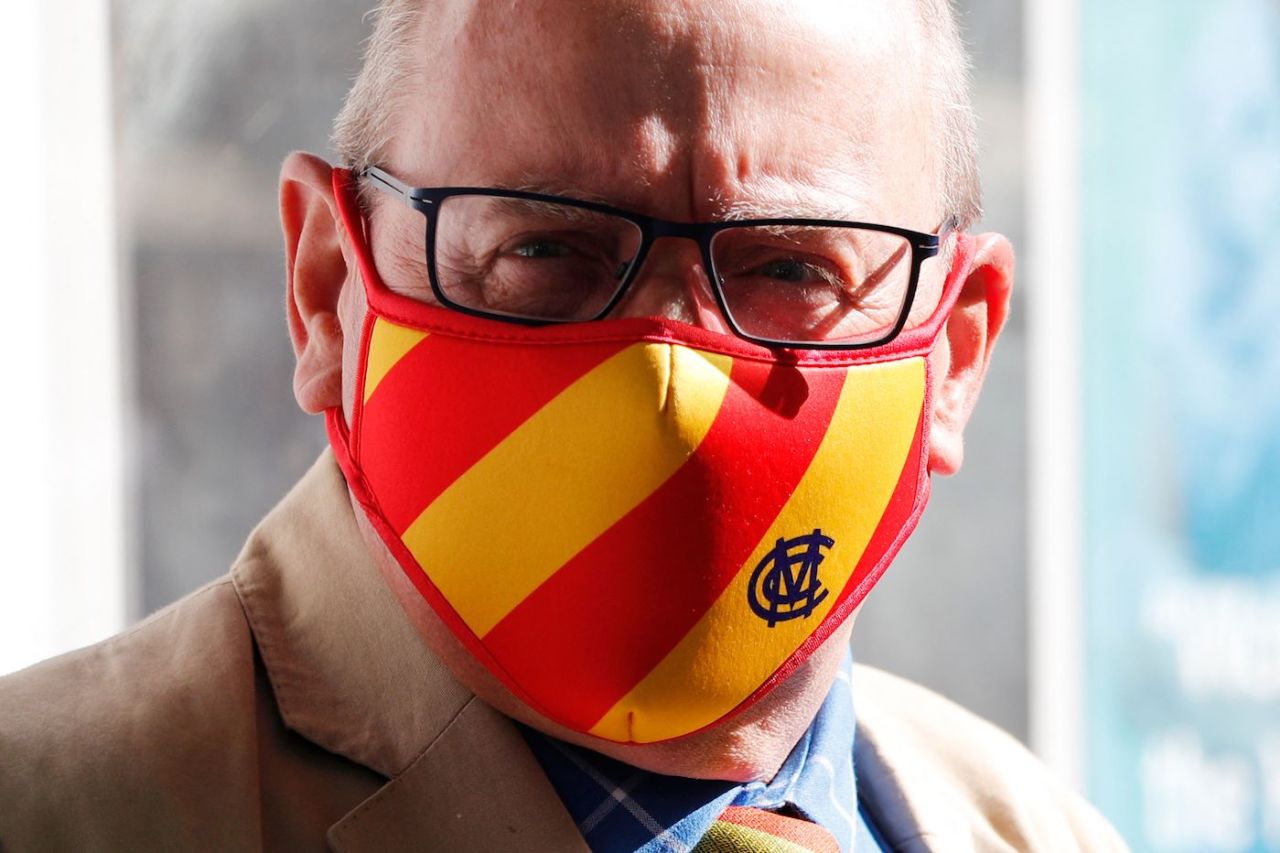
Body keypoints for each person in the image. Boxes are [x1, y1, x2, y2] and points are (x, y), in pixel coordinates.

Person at [0, 0, 1126, 850]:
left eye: (789, 264)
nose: (666, 382)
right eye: (544, 248)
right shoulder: (52, 806)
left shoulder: (1039, 829)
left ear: (958, 354)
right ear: (325, 289)